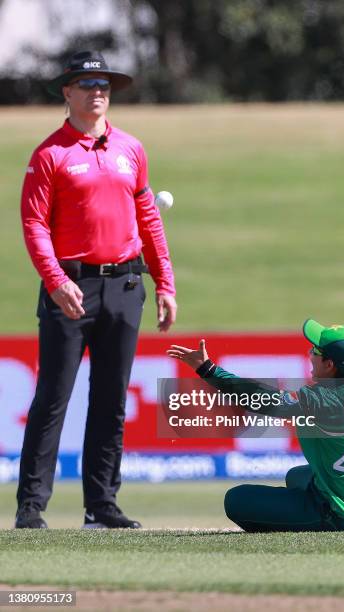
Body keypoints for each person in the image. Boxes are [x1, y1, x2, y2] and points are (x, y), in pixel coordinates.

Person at [17, 50, 177, 529]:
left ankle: (101, 506)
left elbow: (148, 217)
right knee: (54, 397)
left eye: (103, 84)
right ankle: (31, 509)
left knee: (111, 399)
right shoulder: (50, 154)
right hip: (72, 286)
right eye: (87, 84)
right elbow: (34, 224)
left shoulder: (131, 149)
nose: (97, 92)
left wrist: (164, 280)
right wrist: (56, 280)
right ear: (67, 92)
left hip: (126, 284)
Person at [167, 319, 344, 532]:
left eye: (316, 351)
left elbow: (262, 399)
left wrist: (209, 370)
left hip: (339, 513)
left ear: (329, 365)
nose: (310, 354)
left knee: (235, 500)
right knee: (295, 475)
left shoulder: (323, 401)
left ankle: (322, 519)